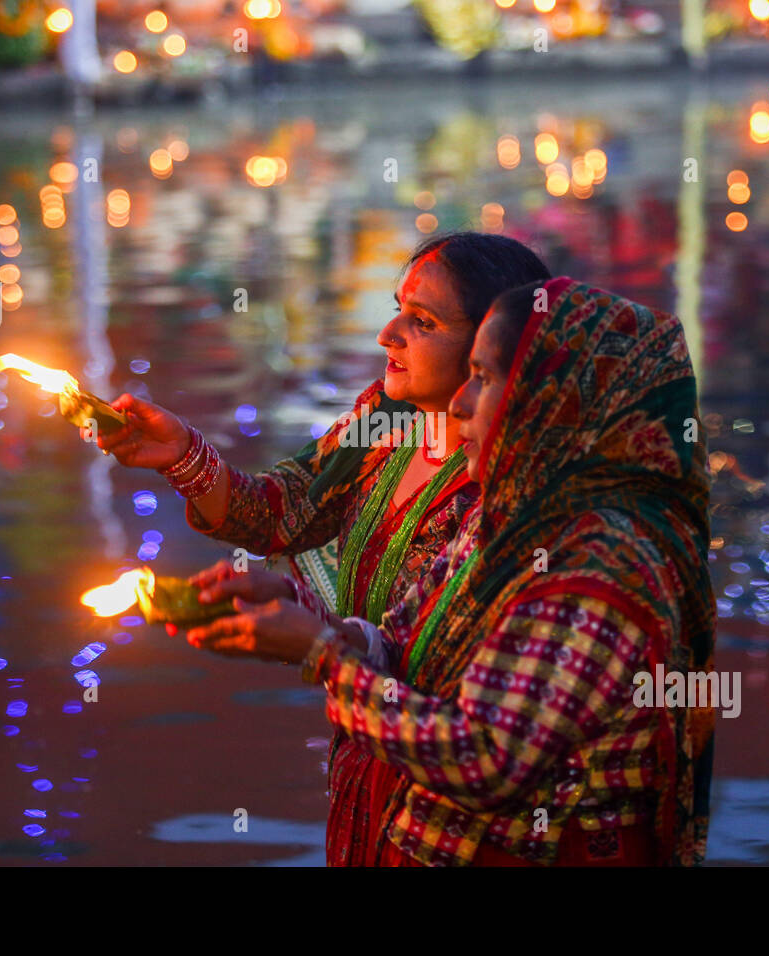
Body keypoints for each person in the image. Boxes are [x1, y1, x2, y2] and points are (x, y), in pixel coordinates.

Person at [178, 277, 715, 866]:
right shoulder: (512, 520)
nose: (461, 403)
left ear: (554, 403)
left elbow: (486, 759)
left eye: (483, 379)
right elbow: (402, 646)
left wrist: (322, 656)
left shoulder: (601, 569)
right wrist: (298, 612)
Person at [93, 231, 551, 865]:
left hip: (452, 787)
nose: (387, 335)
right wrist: (182, 456)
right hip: (364, 746)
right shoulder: (384, 419)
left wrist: (315, 640)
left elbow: (427, 659)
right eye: (397, 309)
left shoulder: (508, 489)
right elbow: (282, 513)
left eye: (421, 322)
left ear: (490, 347)